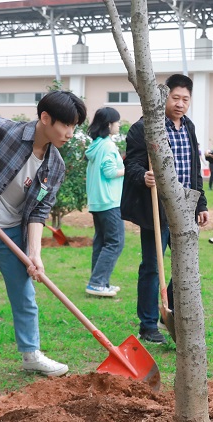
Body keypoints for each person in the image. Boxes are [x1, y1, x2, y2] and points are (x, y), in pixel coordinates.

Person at [0, 90, 87, 397]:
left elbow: (39, 211)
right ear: (45, 118)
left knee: (25, 296)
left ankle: (30, 354)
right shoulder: (2, 130)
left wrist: (34, 254)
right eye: (66, 125)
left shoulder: (55, 165)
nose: (70, 133)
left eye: (74, 126)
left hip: (14, 232)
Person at [121, 73, 209, 344]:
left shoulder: (189, 126)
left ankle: (168, 312)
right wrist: (142, 176)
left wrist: (201, 203)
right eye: (175, 98)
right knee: (152, 266)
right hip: (156, 209)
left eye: (186, 99)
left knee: (185, 265)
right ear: (164, 97)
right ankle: (148, 325)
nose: (180, 104)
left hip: (186, 206)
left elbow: (194, 167)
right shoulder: (146, 127)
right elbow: (131, 164)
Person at [85, 106, 125, 297]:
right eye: (117, 122)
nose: (119, 125)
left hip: (97, 201)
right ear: (109, 125)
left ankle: (99, 282)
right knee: (115, 242)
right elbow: (109, 172)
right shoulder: (108, 145)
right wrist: (128, 170)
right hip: (109, 201)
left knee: (101, 242)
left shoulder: (96, 144)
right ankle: (97, 283)